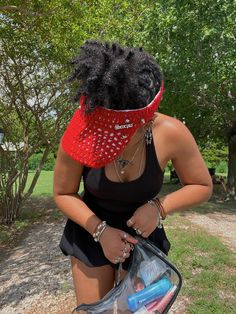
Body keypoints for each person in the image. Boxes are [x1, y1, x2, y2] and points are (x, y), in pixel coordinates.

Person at [53, 40, 212, 309]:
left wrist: (159, 207)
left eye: (118, 132)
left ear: (146, 119)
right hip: (90, 229)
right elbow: (63, 192)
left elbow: (201, 185)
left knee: (136, 309)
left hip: (145, 236)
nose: (109, 138)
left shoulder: (171, 132)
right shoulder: (84, 127)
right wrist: (101, 232)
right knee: (95, 310)